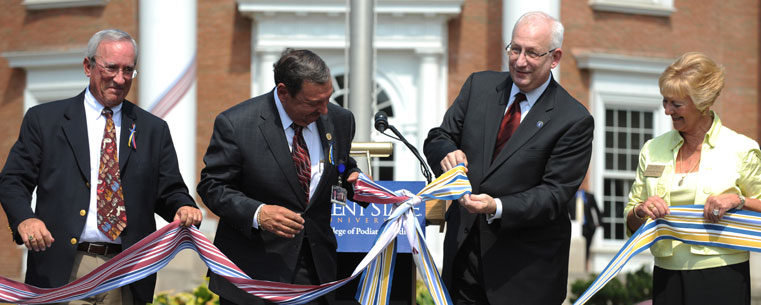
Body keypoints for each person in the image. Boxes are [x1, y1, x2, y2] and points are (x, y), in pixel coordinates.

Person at [0, 29, 203, 305]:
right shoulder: (45, 120)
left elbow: (169, 191)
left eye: (128, 70)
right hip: (64, 269)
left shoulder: (152, 129)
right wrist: (25, 218)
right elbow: (12, 180)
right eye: (111, 68)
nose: (120, 79)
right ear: (88, 66)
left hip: (128, 271)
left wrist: (182, 205)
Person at [424, 11, 594, 305]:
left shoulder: (573, 119)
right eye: (515, 49)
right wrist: (446, 153)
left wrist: (497, 206)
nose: (520, 61)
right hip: (464, 259)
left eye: (531, 53)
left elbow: (554, 194)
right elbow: (438, 137)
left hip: (524, 275)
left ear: (554, 58)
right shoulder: (479, 86)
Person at [197, 48, 363, 305]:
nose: (324, 110)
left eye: (327, 99)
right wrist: (258, 213)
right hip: (253, 274)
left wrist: (353, 177)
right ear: (284, 92)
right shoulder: (237, 123)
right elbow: (212, 186)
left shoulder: (340, 120)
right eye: (312, 103)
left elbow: (339, 165)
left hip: (316, 271)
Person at [624, 52, 761, 305]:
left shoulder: (741, 148)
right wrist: (642, 210)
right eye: (665, 101)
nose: (667, 111)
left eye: (676, 104)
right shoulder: (652, 149)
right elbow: (631, 221)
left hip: (723, 275)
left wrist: (738, 200)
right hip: (666, 274)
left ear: (702, 102)